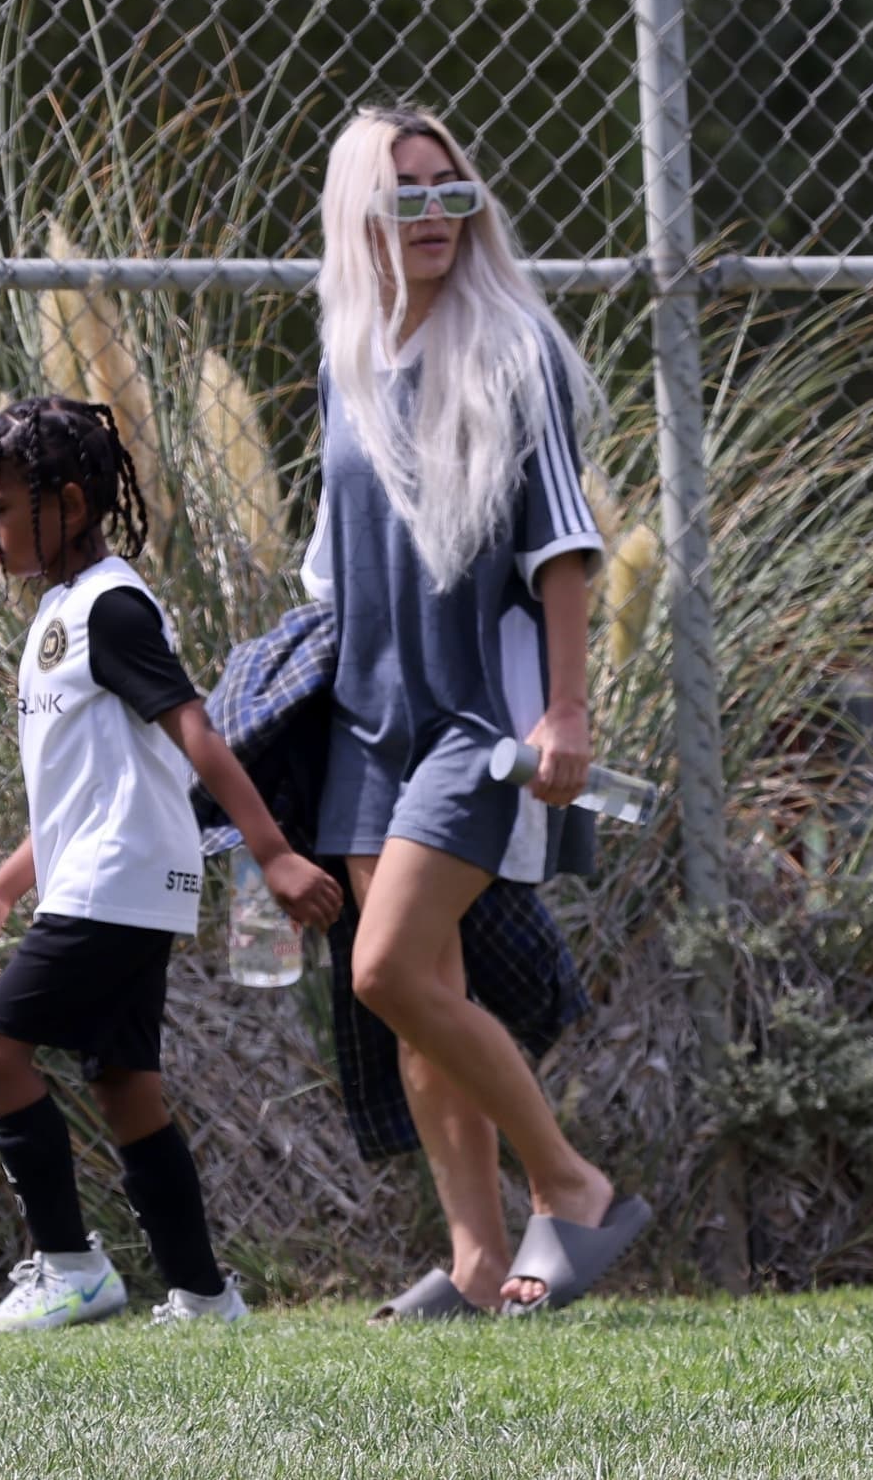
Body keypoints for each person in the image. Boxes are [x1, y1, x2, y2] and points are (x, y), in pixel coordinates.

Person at [300, 106, 651, 1317]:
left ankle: (571, 1181)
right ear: (358, 215)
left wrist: (566, 708)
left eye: (449, 189)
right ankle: (470, 1257)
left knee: (388, 966)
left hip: (472, 720)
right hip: (358, 719)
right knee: (414, 995)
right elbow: (329, 554)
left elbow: (564, 540)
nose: (435, 214)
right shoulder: (344, 349)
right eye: (404, 195)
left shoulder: (511, 346)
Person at [0, 395, 342, 1333]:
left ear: (71, 505)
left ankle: (72, 1267)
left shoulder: (111, 608)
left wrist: (272, 853)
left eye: (0, 509)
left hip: (117, 882)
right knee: (125, 1084)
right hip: (113, 877)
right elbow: (87, 791)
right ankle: (205, 1295)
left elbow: (194, 729)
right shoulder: (61, 611)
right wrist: (4, 891)